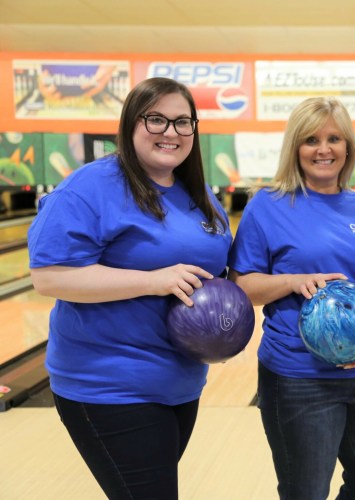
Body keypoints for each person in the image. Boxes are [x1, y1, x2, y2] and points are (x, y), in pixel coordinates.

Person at [28, 77, 232, 499]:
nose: (170, 132)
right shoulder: (90, 187)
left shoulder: (199, 195)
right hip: (108, 384)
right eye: (155, 119)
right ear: (130, 123)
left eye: (182, 122)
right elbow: (49, 276)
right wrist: (154, 281)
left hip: (180, 381)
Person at [228, 96, 355, 500]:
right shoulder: (266, 206)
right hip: (298, 378)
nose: (323, 149)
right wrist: (293, 282)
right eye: (310, 139)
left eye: (333, 138)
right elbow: (241, 286)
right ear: (295, 147)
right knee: (305, 491)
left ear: (348, 146)